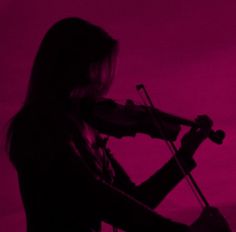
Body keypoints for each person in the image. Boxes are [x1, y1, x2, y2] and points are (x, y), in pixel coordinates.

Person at [6, 17, 228, 232]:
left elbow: (137, 200)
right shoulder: (35, 128)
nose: (101, 88)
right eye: (96, 74)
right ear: (73, 72)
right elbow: (98, 198)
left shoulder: (87, 131)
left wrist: (186, 152)